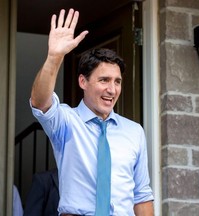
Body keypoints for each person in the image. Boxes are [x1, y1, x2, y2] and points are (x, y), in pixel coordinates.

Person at [30, 8, 154, 215]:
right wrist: (54, 56)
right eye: (104, 80)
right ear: (83, 81)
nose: (112, 90)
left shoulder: (134, 131)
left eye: (117, 82)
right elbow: (39, 101)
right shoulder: (66, 121)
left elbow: (141, 195)